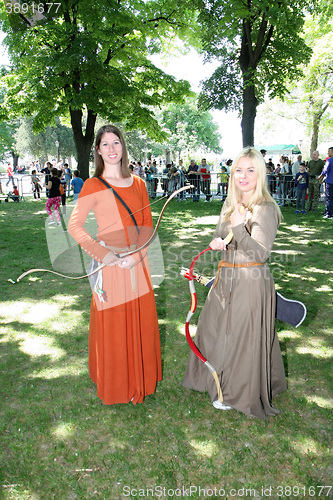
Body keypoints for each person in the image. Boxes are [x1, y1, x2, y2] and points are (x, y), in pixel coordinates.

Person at [182, 147, 287, 420]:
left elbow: (260, 253)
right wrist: (219, 241)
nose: (243, 176)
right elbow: (227, 239)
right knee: (214, 329)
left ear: (260, 174)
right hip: (226, 277)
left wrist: (240, 228)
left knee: (241, 338)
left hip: (250, 282)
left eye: (250, 170)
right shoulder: (230, 205)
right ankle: (212, 381)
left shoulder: (265, 208)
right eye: (239, 170)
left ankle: (235, 392)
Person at [68, 124, 162, 405]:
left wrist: (136, 256)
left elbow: (147, 227)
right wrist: (103, 254)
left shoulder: (139, 184)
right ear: (97, 150)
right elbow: (75, 226)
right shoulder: (93, 185)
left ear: (123, 147)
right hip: (109, 267)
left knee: (139, 324)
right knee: (113, 329)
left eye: (116, 143)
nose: (111, 149)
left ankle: (139, 381)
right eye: (105, 144)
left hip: (137, 265)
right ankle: (117, 384)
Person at [319, 146, 333, 219]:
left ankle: (329, 214)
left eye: (329, 151)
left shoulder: (329, 160)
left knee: (329, 198)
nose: (328, 152)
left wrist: (320, 176)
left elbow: (325, 170)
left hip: (330, 182)